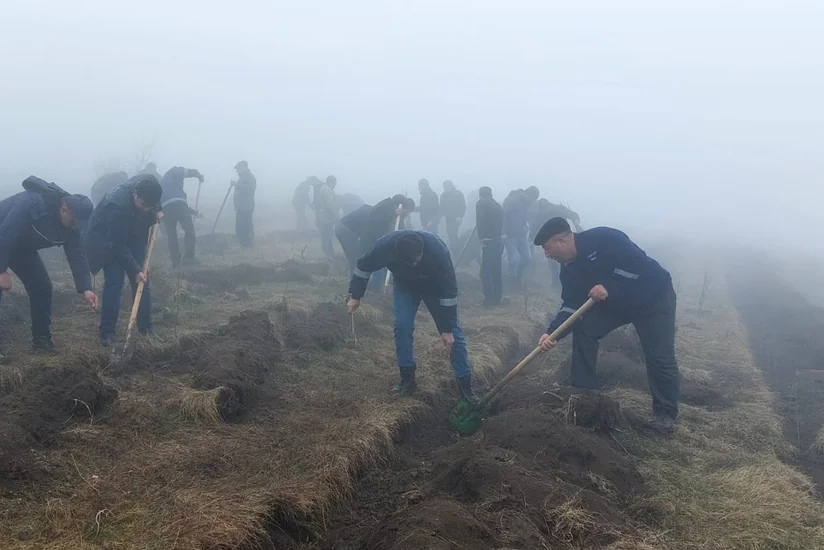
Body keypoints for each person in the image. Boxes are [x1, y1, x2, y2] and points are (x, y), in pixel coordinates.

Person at [534, 218, 679, 434]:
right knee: (584, 328)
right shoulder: (568, 270)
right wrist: (552, 333)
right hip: (616, 305)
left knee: (659, 355)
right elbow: (572, 306)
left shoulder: (605, 238)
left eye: (547, 249)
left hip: (652, 300)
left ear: (562, 240)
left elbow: (638, 266)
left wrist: (609, 286)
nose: (547, 255)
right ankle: (584, 393)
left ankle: (664, 415)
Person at [347, 230, 478, 403]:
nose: (415, 264)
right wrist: (355, 295)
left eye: (418, 259)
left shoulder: (438, 252)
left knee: (454, 334)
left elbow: (449, 292)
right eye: (410, 262)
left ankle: (466, 387)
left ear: (422, 250)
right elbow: (363, 267)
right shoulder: (384, 247)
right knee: (402, 325)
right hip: (405, 286)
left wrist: (446, 329)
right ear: (398, 255)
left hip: (434, 287)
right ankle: (407, 380)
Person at [0, 177, 98, 359]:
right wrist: (1, 269)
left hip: (21, 247)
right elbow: (6, 232)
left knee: (42, 287)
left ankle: (41, 339)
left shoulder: (73, 226)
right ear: (63, 208)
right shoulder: (33, 202)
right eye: (75, 221)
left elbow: (77, 255)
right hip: (2, 236)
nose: (77, 228)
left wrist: (86, 288)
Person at [84, 174, 163, 347]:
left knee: (143, 283)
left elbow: (154, 203)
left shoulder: (149, 188)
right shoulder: (118, 207)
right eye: (143, 205)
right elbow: (117, 245)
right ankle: (107, 333)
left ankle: (146, 330)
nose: (145, 209)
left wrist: (158, 210)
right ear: (135, 194)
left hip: (134, 232)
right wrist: (135, 269)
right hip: (108, 240)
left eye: (149, 206)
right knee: (114, 282)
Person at [336, 195, 415, 290]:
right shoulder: (384, 209)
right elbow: (377, 223)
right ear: (398, 207)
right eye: (404, 213)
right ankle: (355, 287)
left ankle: (372, 286)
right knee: (356, 258)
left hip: (358, 233)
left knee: (369, 258)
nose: (404, 216)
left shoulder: (390, 211)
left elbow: (397, 228)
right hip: (346, 229)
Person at [531, 199, 582, 287]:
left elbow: (535, 226)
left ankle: (557, 283)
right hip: (559, 242)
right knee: (559, 262)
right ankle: (558, 283)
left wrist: (531, 236)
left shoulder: (544, 212)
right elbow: (573, 215)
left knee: (556, 262)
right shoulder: (557, 209)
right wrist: (576, 224)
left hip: (557, 242)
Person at [160, 166, 204, 267]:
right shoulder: (174, 171)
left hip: (165, 208)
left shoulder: (165, 183)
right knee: (189, 230)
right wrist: (198, 175)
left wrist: (192, 212)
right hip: (178, 205)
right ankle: (188, 258)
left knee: (171, 235)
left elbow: (173, 201)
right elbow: (178, 202)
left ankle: (175, 261)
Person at [502, 186, 539, 288]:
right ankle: (512, 280)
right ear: (528, 194)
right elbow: (503, 215)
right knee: (514, 259)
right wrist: (503, 232)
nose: (532, 202)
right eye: (532, 199)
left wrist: (528, 225)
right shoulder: (512, 200)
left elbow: (531, 216)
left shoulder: (530, 203)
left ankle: (517, 276)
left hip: (522, 234)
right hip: (510, 234)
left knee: (527, 258)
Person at [475, 186, 504, 307]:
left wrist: (481, 237)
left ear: (481, 195)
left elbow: (480, 220)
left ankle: (488, 300)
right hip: (498, 241)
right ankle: (497, 297)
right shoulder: (497, 206)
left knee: (485, 272)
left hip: (488, 241)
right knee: (496, 270)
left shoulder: (481, 204)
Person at [233, 161, 257, 248]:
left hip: (246, 207)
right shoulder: (241, 179)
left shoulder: (250, 177)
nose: (237, 171)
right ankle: (243, 244)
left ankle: (248, 245)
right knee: (239, 227)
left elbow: (250, 188)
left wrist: (236, 185)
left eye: (238, 169)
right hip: (240, 207)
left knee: (246, 226)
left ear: (243, 168)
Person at [314, 175, 339, 258]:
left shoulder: (323, 188)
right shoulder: (328, 190)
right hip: (328, 217)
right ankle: (327, 252)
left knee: (327, 234)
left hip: (324, 216)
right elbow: (330, 205)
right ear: (333, 182)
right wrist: (336, 216)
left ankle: (330, 252)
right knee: (327, 234)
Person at [440, 180, 466, 252]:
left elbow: (463, 206)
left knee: (453, 234)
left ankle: (456, 251)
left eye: (447, 186)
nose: (446, 188)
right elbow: (441, 206)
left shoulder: (458, 194)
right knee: (450, 234)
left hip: (456, 218)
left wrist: (460, 216)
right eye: (444, 187)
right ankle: (455, 250)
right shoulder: (443, 195)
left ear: (452, 186)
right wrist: (442, 213)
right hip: (448, 217)